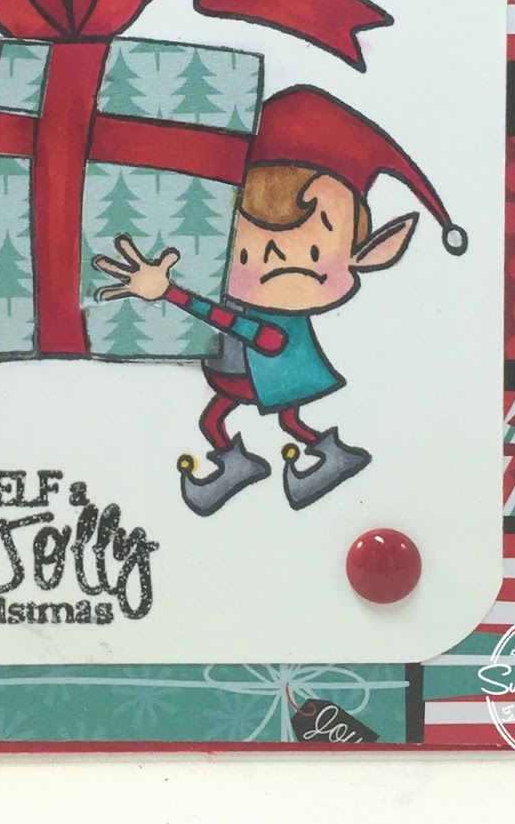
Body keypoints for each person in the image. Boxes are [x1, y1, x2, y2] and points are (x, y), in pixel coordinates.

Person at [93, 85, 466, 515]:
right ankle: (263, 463)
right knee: (239, 420)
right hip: (240, 372)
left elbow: (245, 330)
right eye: (245, 253)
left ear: (368, 255)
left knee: (270, 419)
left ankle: (315, 458)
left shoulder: (270, 324)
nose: (270, 263)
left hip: (267, 374)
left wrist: (171, 293)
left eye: (314, 253)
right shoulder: (234, 288)